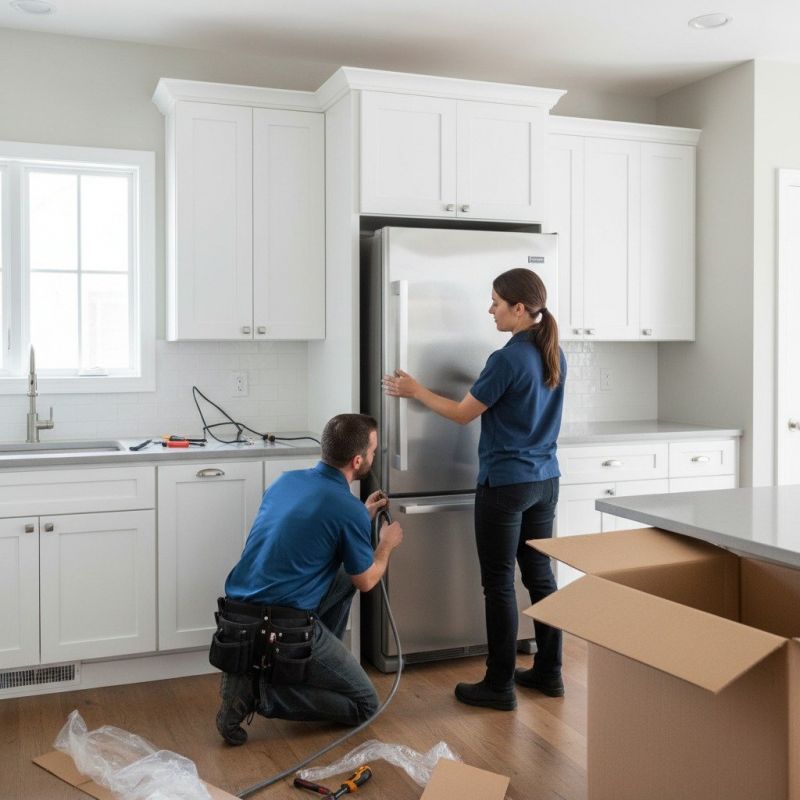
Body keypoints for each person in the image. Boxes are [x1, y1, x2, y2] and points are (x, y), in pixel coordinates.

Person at [383, 268, 565, 711]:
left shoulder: (506, 359)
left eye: (497, 303)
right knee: (540, 577)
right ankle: (549, 672)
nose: (491, 310)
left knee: (499, 583)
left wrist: (415, 390)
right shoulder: (553, 350)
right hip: (545, 480)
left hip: (505, 484)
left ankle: (499, 685)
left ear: (519, 308)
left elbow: (463, 413)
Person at [214, 413, 403, 745]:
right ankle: (261, 695)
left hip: (238, 616)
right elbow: (368, 581)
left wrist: (363, 515)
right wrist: (385, 545)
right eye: (373, 451)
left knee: (345, 573)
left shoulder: (287, 481)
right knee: (365, 705)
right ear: (358, 460)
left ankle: (293, 672)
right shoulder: (346, 508)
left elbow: (313, 531)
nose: (375, 456)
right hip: (281, 628)